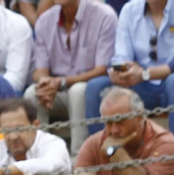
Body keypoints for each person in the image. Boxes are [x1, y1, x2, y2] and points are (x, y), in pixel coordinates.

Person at [86, 0, 174, 141]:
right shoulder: (129, 9)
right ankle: (103, 152)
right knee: (95, 86)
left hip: (170, 85)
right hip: (137, 84)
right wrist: (119, 71)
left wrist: (145, 74)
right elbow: (122, 56)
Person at [30, 0, 117, 130]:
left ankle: (79, 150)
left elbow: (102, 69)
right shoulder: (44, 21)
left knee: (77, 91)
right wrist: (45, 82)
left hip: (93, 91)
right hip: (58, 92)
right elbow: (40, 70)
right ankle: (38, 148)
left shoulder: (104, 16)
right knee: (32, 93)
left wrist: (62, 82)